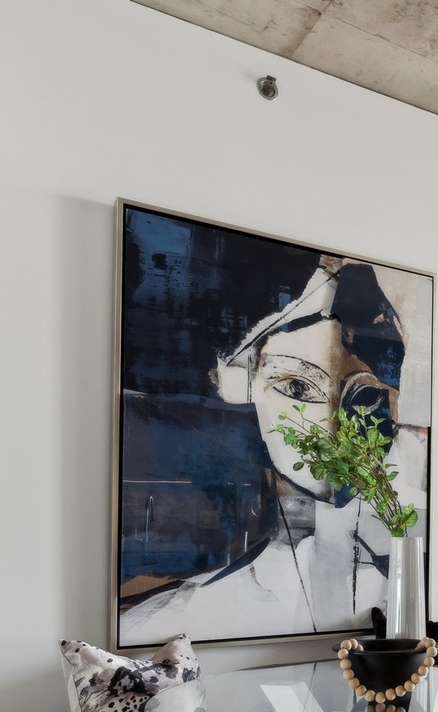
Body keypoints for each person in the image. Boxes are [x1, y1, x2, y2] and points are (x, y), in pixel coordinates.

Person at [120, 259, 422, 643]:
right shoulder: (173, 620)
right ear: (245, 385)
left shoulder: (395, 582)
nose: (330, 425)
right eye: (297, 388)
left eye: (364, 396)